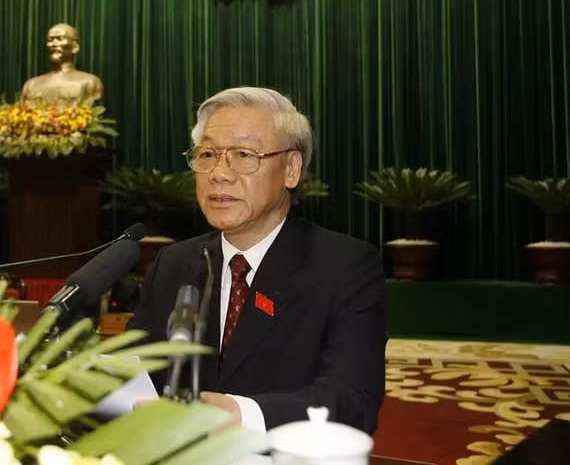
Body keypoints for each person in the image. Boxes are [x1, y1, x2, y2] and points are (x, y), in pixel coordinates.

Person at [127, 87, 386, 434]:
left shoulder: (344, 267)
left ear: (291, 169)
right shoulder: (173, 264)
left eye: (244, 155)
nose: (219, 173)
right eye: (207, 154)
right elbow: (138, 372)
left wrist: (240, 414)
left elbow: (352, 402)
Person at [20, 23, 104, 106]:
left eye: (60, 38)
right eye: (50, 40)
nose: (54, 44)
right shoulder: (31, 85)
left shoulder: (90, 82)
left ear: (75, 47)